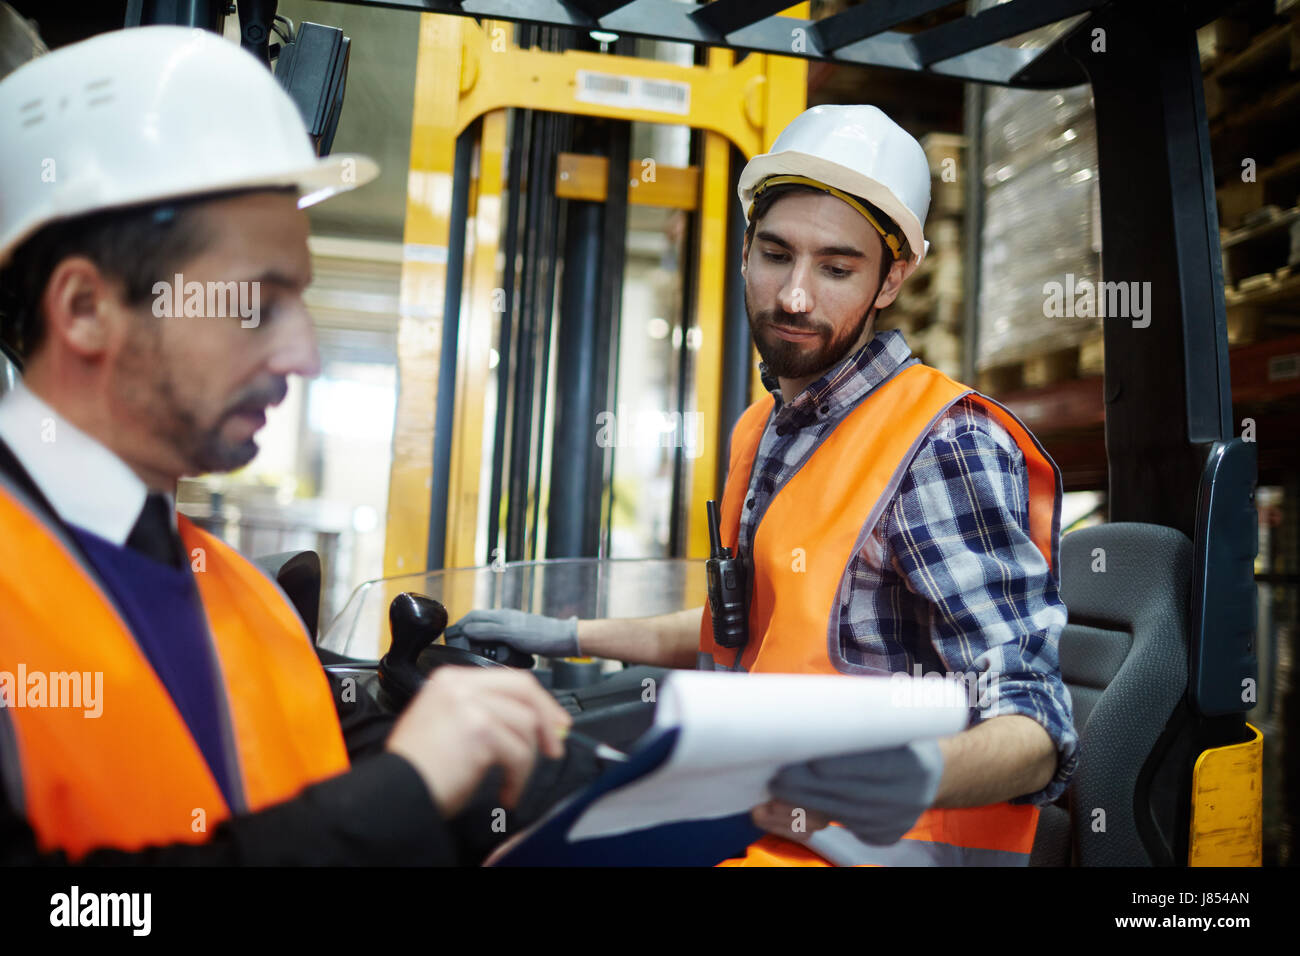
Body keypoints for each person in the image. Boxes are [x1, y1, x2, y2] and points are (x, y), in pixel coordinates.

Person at [446, 104, 1078, 866]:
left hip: (878, 851)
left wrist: (922, 774)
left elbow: (1036, 715)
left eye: (837, 269)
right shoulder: (769, 428)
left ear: (892, 279)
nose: (795, 297)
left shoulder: (943, 441)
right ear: (745, 250)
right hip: (755, 822)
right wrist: (567, 638)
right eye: (776, 255)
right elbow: (744, 626)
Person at [0, 25, 571, 865]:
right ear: (85, 309)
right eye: (254, 303)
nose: (303, 353)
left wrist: (452, 764)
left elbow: (260, 797)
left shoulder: (244, 597)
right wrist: (400, 790)